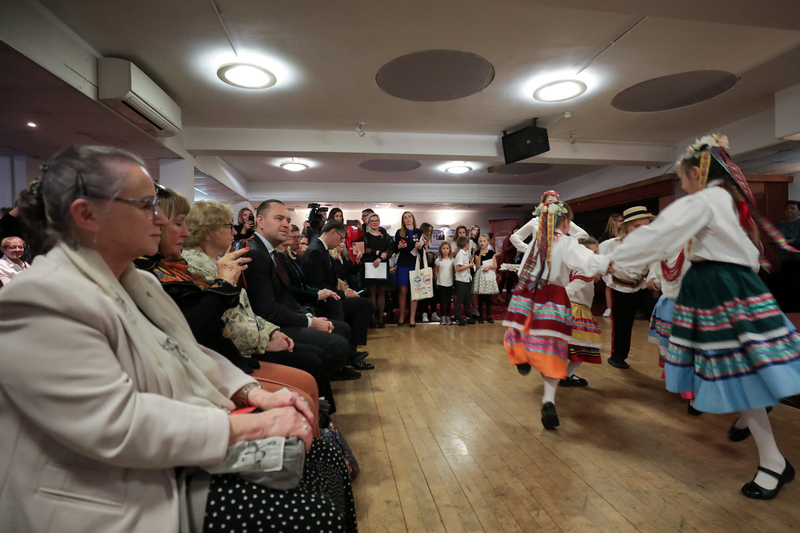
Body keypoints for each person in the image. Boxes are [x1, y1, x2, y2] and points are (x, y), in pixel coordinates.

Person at [0, 145, 356, 532]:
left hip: (174, 459)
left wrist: (254, 393)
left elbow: (188, 350)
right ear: (87, 214)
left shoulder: (139, 281)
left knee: (325, 455)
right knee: (312, 515)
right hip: (110, 494)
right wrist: (252, 426)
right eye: (146, 206)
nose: (161, 220)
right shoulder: (39, 299)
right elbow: (118, 425)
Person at [611, 133, 800, 499]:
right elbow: (745, 252)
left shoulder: (707, 198)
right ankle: (768, 449)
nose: (681, 184)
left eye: (682, 177)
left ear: (697, 173)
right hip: (727, 285)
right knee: (743, 371)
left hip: (720, 288)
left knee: (739, 372)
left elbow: (658, 235)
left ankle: (773, 461)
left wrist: (608, 259)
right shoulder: (726, 201)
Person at [179, 200, 338, 415]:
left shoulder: (219, 260)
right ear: (208, 232)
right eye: (227, 226)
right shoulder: (196, 265)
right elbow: (225, 320)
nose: (233, 231)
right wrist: (265, 340)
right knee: (312, 360)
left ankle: (322, 421)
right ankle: (320, 424)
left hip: (252, 338)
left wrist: (270, 332)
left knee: (315, 353)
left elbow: (245, 310)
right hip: (232, 355)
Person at [503, 200, 611, 430]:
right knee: (553, 349)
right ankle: (548, 400)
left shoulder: (535, 244)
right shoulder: (566, 242)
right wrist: (605, 264)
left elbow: (523, 270)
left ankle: (521, 357)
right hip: (552, 297)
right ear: (566, 222)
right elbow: (586, 260)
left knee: (518, 330)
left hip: (526, 294)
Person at [243, 199, 362, 381]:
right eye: (279, 218)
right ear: (260, 221)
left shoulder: (268, 252)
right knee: (338, 344)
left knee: (342, 329)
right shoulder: (255, 253)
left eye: (288, 221)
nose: (286, 225)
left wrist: (308, 318)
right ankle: (317, 391)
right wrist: (309, 322)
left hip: (286, 317)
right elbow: (267, 310)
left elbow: (286, 295)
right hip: (273, 327)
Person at [302, 220, 374, 371]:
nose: (342, 242)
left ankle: (350, 351)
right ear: (333, 232)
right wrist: (343, 294)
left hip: (330, 295)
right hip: (323, 300)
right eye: (341, 238)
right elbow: (318, 286)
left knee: (364, 304)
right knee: (363, 305)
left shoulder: (322, 249)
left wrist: (345, 292)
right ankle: (347, 353)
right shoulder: (316, 251)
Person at [598, 206, 655, 369]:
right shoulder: (611, 245)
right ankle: (618, 356)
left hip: (642, 287)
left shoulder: (650, 245)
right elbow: (599, 263)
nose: (642, 231)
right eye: (637, 226)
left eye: (646, 226)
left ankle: (672, 355)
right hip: (620, 289)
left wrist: (652, 278)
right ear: (625, 227)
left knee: (657, 318)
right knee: (622, 324)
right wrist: (609, 277)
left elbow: (654, 264)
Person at [646, 245, 697, 414]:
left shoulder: (666, 252)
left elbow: (658, 282)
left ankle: (687, 388)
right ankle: (693, 395)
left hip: (669, 305)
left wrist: (655, 284)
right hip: (686, 306)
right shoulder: (692, 250)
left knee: (680, 350)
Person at [562, 236, 604, 387]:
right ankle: (566, 375)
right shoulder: (584, 269)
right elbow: (570, 289)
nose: (596, 256)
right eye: (593, 252)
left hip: (573, 307)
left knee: (571, 346)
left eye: (597, 252)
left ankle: (563, 374)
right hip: (577, 308)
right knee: (583, 346)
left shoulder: (578, 266)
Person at [362, 212, 392, 327]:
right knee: (372, 293)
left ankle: (380, 319)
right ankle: (372, 319)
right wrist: (378, 253)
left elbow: (389, 248)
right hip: (370, 265)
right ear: (368, 223)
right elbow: (365, 249)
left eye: (376, 220)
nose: (374, 222)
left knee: (381, 293)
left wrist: (383, 256)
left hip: (382, 265)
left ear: (379, 222)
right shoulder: (366, 235)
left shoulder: (384, 235)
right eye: (372, 220)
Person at [394, 211, 423, 326]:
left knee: (415, 291)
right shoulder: (399, 232)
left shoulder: (419, 232)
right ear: (403, 220)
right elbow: (395, 249)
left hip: (415, 264)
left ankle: (412, 317)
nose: (407, 219)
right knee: (403, 291)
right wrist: (399, 246)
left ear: (413, 218)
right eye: (405, 218)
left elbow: (424, 250)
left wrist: (420, 247)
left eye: (409, 217)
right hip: (403, 264)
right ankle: (401, 316)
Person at [775, 200, 800, 312]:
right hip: (785, 262)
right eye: (788, 208)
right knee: (786, 289)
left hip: (798, 261)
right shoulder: (781, 225)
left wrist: (794, 242)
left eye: (793, 208)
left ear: (798, 211)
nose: (790, 211)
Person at [598, 212, 624, 316]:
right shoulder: (606, 236)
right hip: (609, 264)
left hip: (621, 264)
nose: (621, 223)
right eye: (620, 221)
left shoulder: (623, 235)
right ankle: (609, 308)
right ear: (613, 221)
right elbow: (602, 251)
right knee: (609, 285)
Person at [472, 234, 499, 323]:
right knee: (481, 297)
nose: (482, 243)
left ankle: (488, 315)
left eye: (484, 241)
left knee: (488, 297)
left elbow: (495, 265)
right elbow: (478, 265)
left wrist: (489, 267)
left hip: (489, 274)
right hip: (481, 274)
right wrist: (479, 255)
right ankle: (481, 315)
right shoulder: (476, 252)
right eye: (480, 241)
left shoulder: (491, 252)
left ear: (488, 242)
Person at [416, 222, 438, 323]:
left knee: (432, 291)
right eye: (428, 231)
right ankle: (424, 312)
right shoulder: (419, 241)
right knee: (423, 292)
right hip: (421, 271)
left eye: (431, 231)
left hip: (430, 272)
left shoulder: (428, 243)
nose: (430, 233)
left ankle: (433, 312)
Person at [453, 236, 475, 326]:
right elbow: (458, 268)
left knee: (467, 299)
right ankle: (457, 317)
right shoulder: (460, 254)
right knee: (460, 300)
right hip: (461, 280)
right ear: (466, 244)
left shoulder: (465, 253)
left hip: (467, 279)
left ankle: (467, 315)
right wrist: (469, 266)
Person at [435, 241, 455, 325]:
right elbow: (436, 272)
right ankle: (442, 316)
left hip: (449, 283)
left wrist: (454, 281)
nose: (445, 250)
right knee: (442, 301)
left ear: (450, 250)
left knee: (448, 301)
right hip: (441, 283)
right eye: (443, 248)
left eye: (447, 248)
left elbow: (453, 272)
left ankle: (448, 316)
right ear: (440, 250)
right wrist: (436, 281)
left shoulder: (452, 260)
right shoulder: (438, 260)